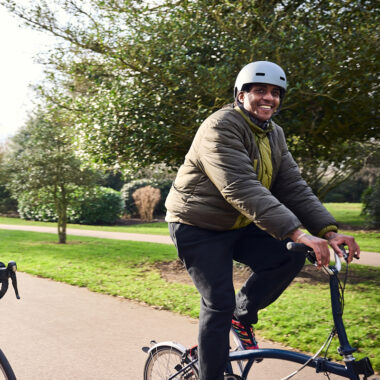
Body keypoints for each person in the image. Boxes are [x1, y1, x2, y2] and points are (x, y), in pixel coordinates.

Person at [165, 61, 360, 380]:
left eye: (275, 93)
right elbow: (240, 186)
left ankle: (243, 316)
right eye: (259, 91)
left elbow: (293, 186)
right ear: (241, 95)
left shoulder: (274, 134)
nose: (268, 98)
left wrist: (328, 231)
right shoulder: (221, 126)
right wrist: (298, 232)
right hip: (196, 226)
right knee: (218, 303)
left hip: (238, 224)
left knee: (287, 256)